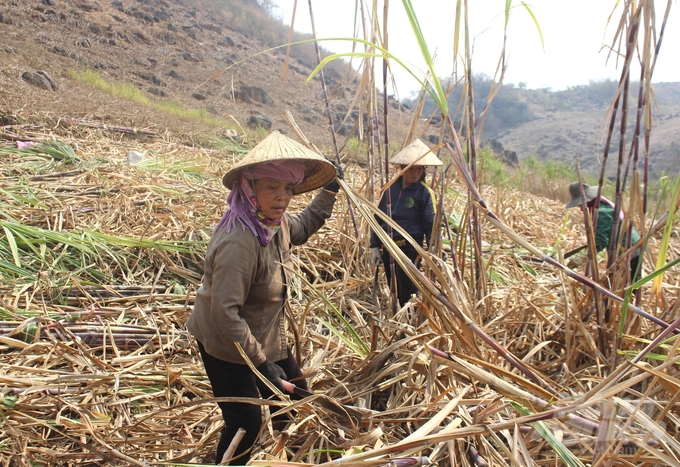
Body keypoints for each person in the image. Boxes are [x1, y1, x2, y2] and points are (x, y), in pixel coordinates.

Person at [186, 130, 342, 465]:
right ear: (249, 187)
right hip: (225, 346)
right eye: (272, 186)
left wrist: (329, 192)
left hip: (263, 335)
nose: (283, 196)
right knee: (245, 422)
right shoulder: (239, 242)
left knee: (295, 396)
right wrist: (262, 366)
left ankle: (282, 457)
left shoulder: (275, 224)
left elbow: (304, 226)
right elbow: (225, 315)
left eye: (288, 187)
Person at [369, 138, 442, 307]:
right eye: (411, 169)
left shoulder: (425, 193)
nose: (415, 173)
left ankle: (410, 320)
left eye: (419, 169)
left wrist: (435, 249)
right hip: (388, 246)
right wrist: (375, 246)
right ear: (402, 168)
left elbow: (431, 224)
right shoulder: (390, 189)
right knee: (393, 285)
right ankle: (397, 317)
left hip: (410, 247)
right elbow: (378, 218)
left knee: (409, 289)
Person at [565, 181, 641, 281]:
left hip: (629, 250)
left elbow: (601, 241)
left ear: (587, 200)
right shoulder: (602, 206)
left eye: (580, 204)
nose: (580, 209)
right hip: (631, 247)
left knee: (625, 285)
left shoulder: (602, 212)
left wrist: (583, 257)